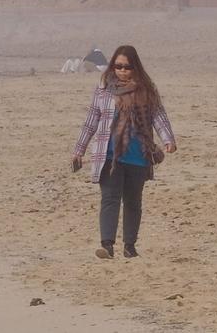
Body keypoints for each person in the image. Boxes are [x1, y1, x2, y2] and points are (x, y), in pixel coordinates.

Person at [69, 44, 176, 259]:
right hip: (108, 156)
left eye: (127, 67)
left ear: (135, 67)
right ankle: (107, 245)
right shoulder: (103, 91)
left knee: (133, 201)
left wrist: (168, 139)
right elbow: (91, 123)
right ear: (112, 67)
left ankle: (129, 246)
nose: (122, 71)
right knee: (109, 198)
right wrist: (78, 150)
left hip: (138, 156)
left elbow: (158, 116)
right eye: (118, 66)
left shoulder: (146, 91)